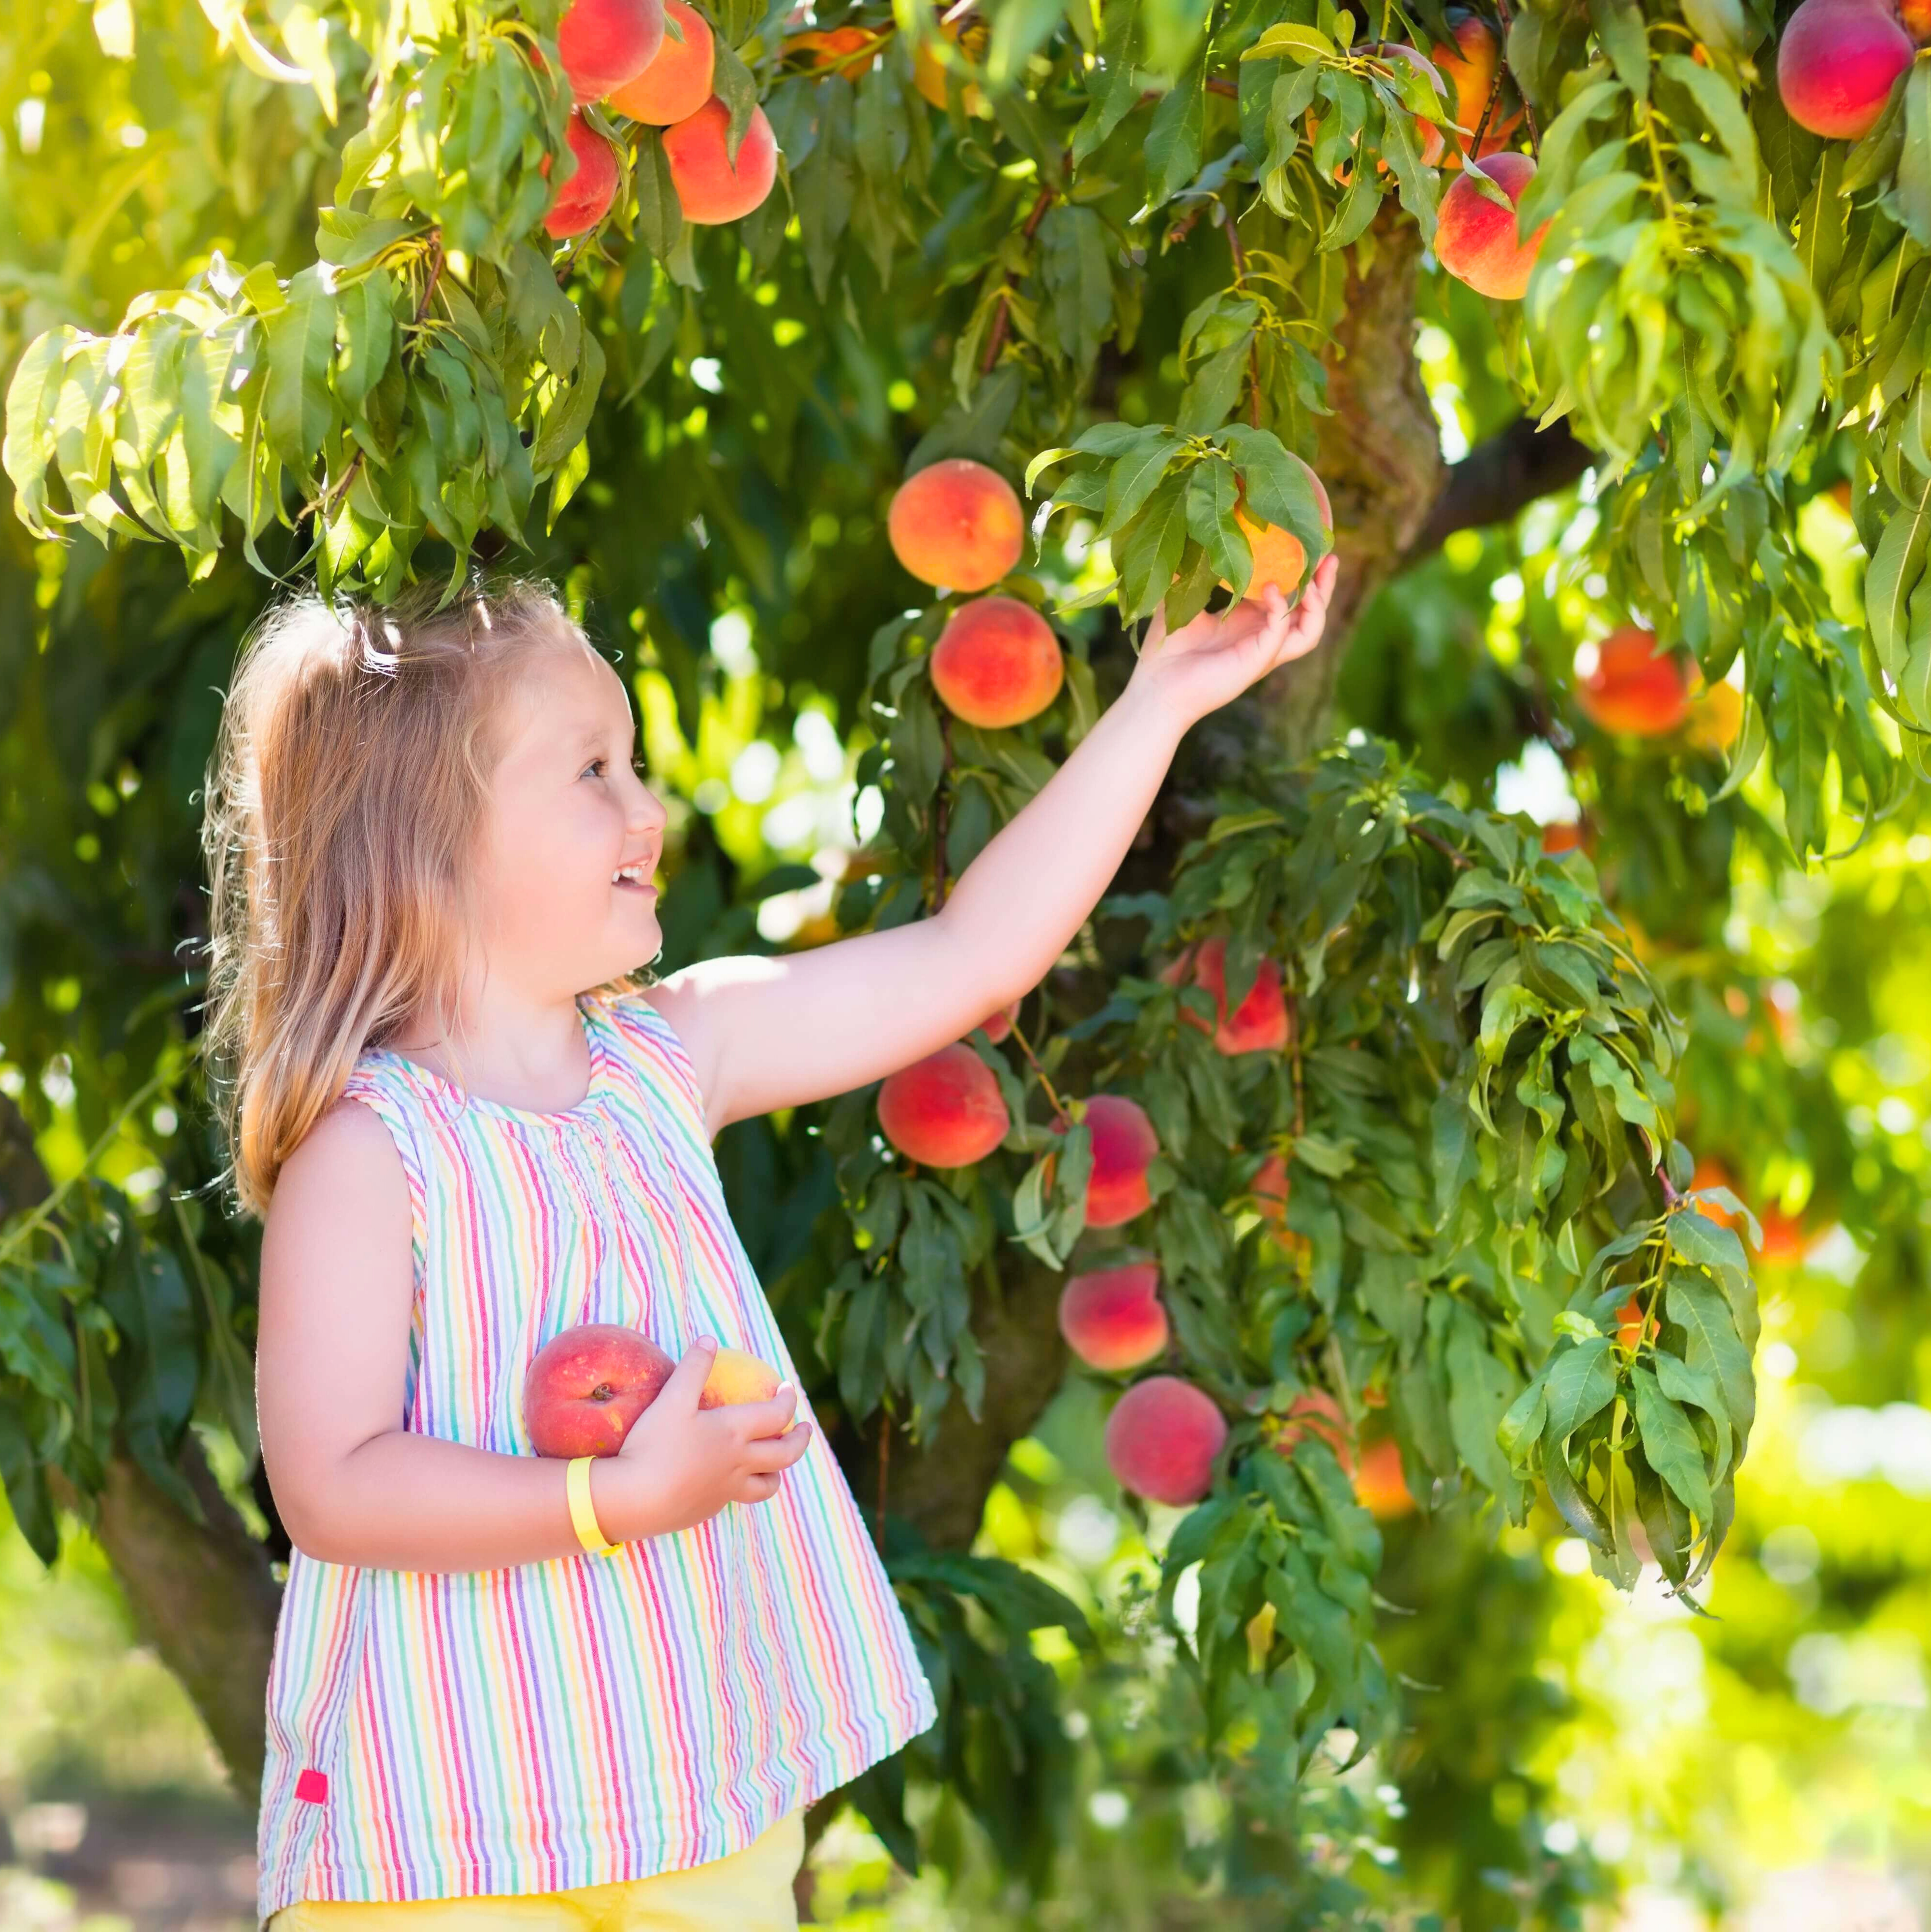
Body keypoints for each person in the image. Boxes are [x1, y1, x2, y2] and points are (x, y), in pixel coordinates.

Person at [219, 556, 1336, 1930]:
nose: (651, 807)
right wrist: (612, 1501)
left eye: (634, 765)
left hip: (701, 1793)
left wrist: (1156, 701)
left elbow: (973, 955)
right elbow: (331, 1486)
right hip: (450, 1825)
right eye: (592, 774)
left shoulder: (669, 1056)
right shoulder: (369, 1153)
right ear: (424, 840)